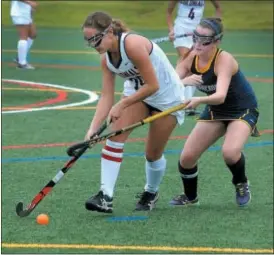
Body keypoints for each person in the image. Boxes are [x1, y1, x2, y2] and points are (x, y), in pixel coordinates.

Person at [82, 11, 185, 213]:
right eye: (88, 41)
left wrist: (122, 104)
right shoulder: (106, 60)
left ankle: (151, 191)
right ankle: (105, 196)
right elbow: (106, 97)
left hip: (167, 97)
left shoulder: (133, 45)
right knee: (115, 137)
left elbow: (153, 85)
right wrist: (93, 128)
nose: (94, 45)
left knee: (152, 154)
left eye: (95, 39)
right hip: (139, 94)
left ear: (109, 31)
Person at [170, 17, 259, 207]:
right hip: (216, 110)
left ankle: (241, 182)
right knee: (187, 158)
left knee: (229, 152)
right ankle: (191, 197)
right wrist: (182, 82)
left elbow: (220, 95)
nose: (198, 44)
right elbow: (170, 83)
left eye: (205, 41)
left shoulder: (223, 59)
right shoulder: (191, 57)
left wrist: (198, 100)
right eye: (195, 38)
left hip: (241, 109)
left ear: (217, 41)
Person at [166, 0, 221, 116]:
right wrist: (171, 30)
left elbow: (218, 8)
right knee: (186, 59)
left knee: (193, 63)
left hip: (198, 31)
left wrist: (214, 28)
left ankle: (187, 102)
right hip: (181, 29)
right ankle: (178, 99)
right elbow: (168, 13)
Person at [10, 0, 37, 69]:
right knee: (23, 37)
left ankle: (20, 57)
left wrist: (31, 10)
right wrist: (29, 2)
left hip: (26, 13)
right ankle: (22, 64)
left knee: (32, 34)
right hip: (19, 13)